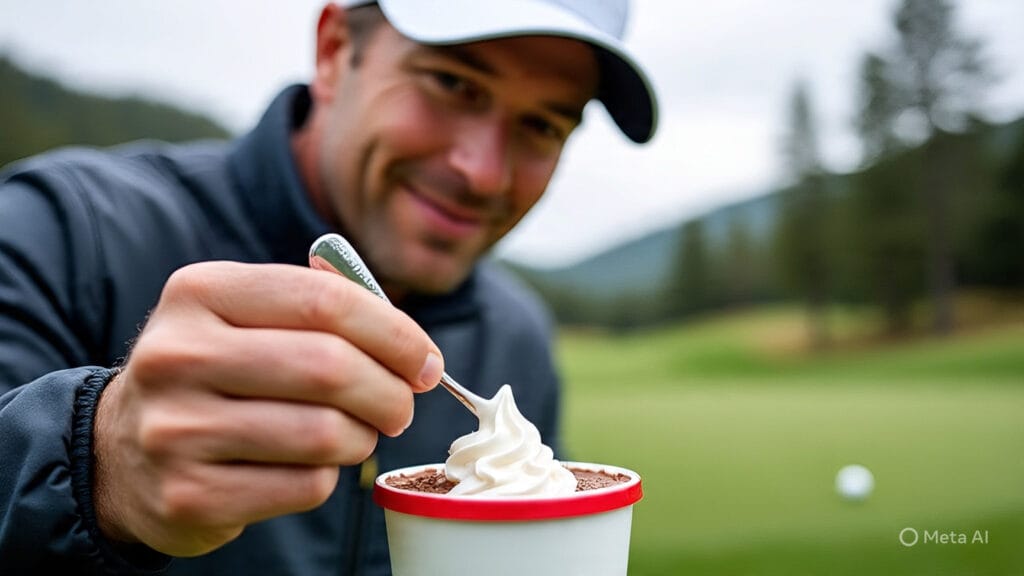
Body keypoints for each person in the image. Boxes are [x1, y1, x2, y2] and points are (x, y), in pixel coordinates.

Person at [0, 0, 657, 573]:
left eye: (542, 125)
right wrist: (96, 464)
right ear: (335, 50)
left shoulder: (516, 334)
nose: (483, 172)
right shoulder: (60, 230)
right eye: (454, 84)